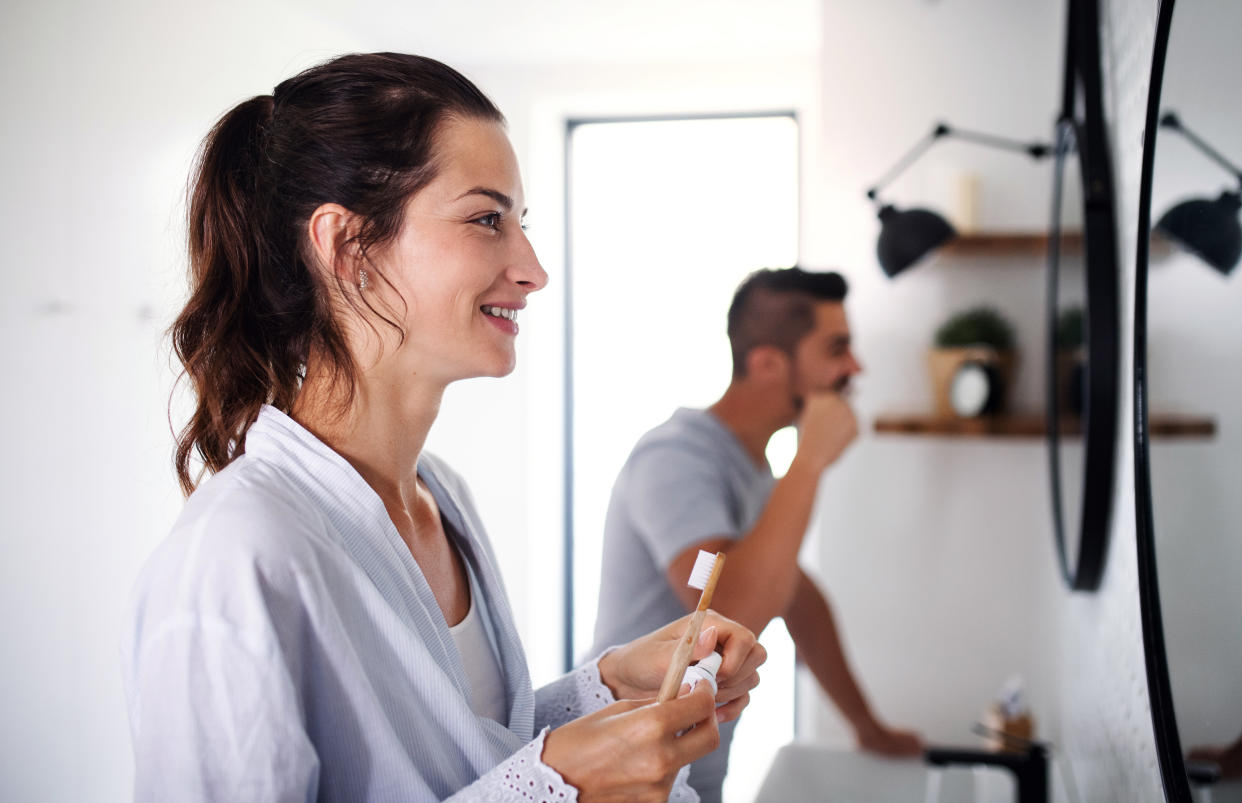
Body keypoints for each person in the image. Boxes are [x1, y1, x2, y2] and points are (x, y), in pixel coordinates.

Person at [121, 53, 765, 803]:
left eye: (521, 224)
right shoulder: (238, 554)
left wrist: (604, 687)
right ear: (346, 248)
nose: (532, 269)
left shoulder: (439, 496)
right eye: (487, 220)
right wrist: (555, 785)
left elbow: (457, 752)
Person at [589, 267, 922, 801]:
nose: (854, 367)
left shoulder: (754, 469)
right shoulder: (674, 458)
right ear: (768, 363)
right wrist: (810, 460)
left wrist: (867, 728)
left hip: (688, 776)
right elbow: (732, 611)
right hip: (622, 778)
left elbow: (799, 600)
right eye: (837, 349)